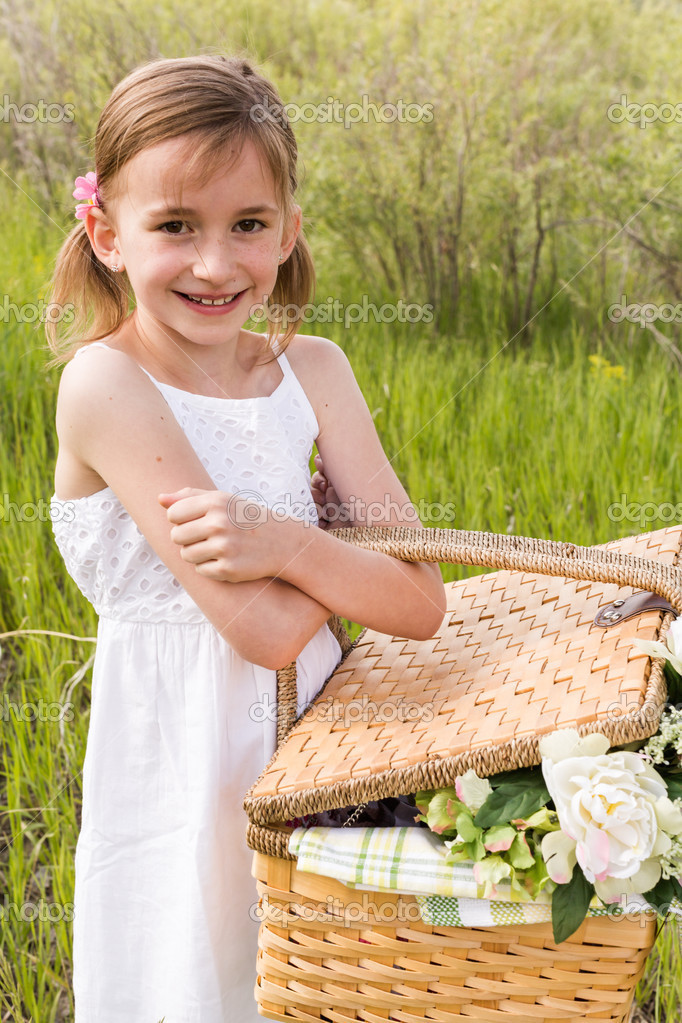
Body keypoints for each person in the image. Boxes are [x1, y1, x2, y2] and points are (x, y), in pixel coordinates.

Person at [47, 54, 446, 1023]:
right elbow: (263, 631)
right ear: (105, 232)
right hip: (181, 765)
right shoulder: (107, 385)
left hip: (320, 745)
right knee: (194, 977)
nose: (216, 264)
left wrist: (288, 539)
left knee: (316, 984)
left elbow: (424, 600)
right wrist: (349, 557)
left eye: (248, 226)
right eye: (175, 226)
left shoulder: (315, 368)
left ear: (288, 231)